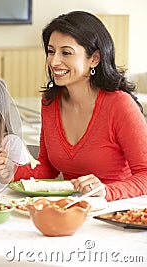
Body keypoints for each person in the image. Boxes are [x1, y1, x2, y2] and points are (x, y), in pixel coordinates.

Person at [14, 11, 147, 201]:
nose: (54, 61)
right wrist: (10, 172)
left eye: (66, 53)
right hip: (70, 208)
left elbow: (145, 175)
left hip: (115, 212)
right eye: (51, 51)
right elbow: (47, 167)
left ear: (94, 58)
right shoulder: (50, 102)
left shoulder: (119, 105)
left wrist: (105, 191)